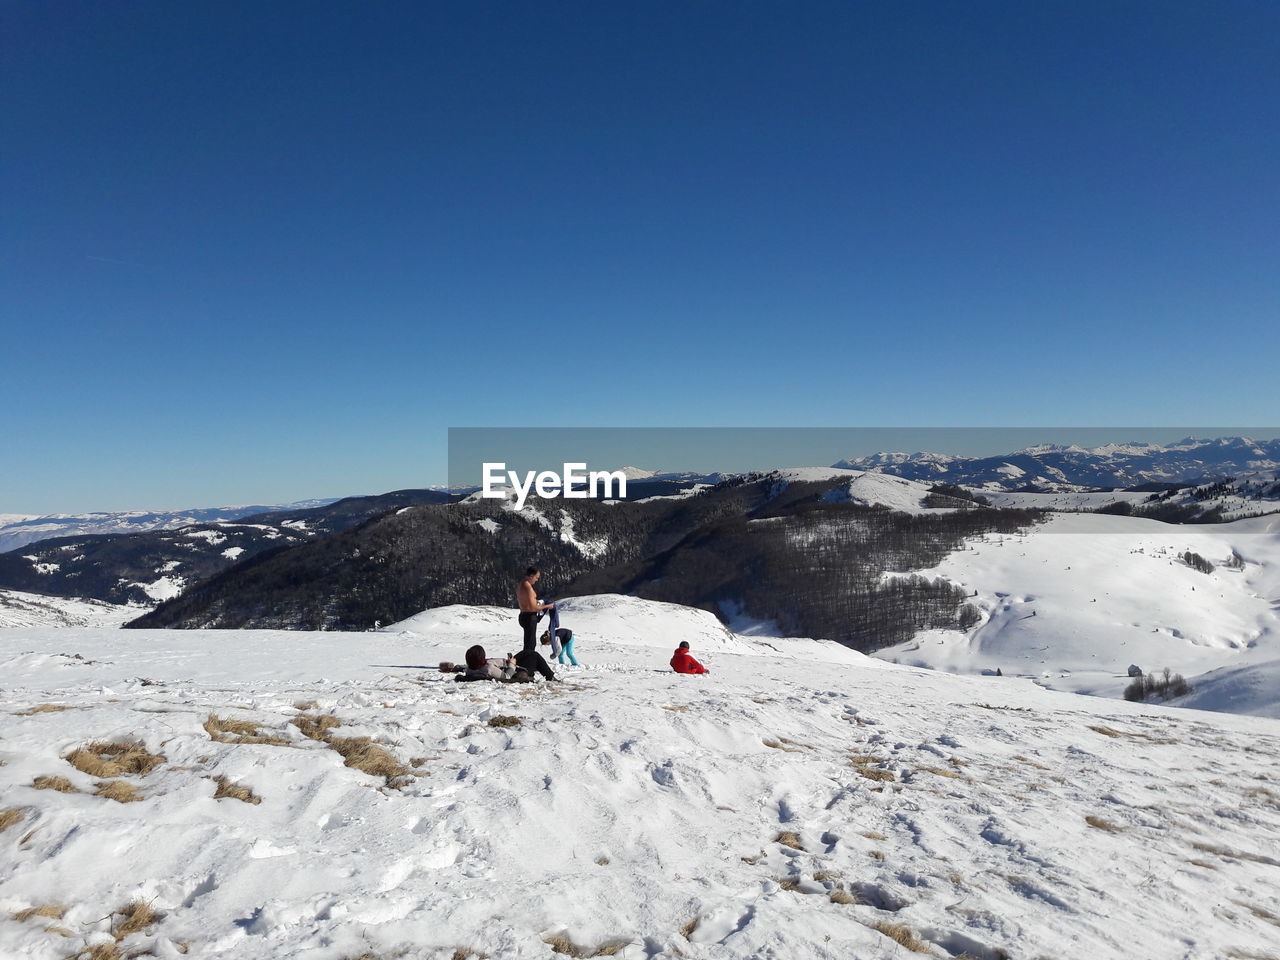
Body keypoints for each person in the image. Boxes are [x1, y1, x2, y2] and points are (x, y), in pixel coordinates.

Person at [517, 566, 556, 654]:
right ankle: (528, 662)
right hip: (529, 617)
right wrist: (547, 606)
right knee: (531, 643)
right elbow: (533, 607)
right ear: (531, 576)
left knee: (528, 642)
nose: (537, 580)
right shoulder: (528, 588)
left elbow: (527, 600)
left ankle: (526, 660)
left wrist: (538, 601)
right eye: (536, 577)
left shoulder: (521, 584)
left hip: (523, 615)